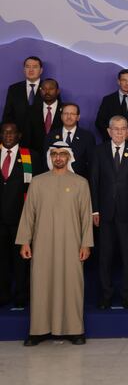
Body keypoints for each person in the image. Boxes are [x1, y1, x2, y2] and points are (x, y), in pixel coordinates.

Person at [16, 142, 92, 346]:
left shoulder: (80, 183)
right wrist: (25, 242)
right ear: (50, 157)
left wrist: (86, 244)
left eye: (63, 154)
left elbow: (86, 217)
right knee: (41, 285)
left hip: (72, 244)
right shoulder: (38, 182)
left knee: (72, 285)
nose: (58, 157)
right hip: (43, 244)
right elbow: (28, 214)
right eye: (55, 154)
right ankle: (38, 331)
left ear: (69, 157)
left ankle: (74, 330)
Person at [90, 116, 128, 309]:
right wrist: (94, 209)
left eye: (123, 129)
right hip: (104, 213)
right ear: (109, 131)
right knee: (104, 256)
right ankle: (106, 295)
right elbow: (94, 181)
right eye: (116, 129)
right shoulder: (99, 151)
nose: (120, 132)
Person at [0, 123, 42, 308]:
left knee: (21, 260)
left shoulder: (30, 156)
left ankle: (21, 295)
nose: (8, 135)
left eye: (12, 132)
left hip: (22, 218)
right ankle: (3, 294)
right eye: (4, 132)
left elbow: (37, 188)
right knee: (1, 259)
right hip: (0, 220)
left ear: (19, 135)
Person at [94, 69, 128, 143]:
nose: (127, 83)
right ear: (119, 82)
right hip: (110, 143)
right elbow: (99, 122)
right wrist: (113, 135)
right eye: (124, 80)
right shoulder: (108, 100)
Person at [44, 102, 96, 178]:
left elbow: (91, 163)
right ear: (61, 116)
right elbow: (46, 161)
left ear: (78, 117)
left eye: (72, 114)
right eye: (66, 114)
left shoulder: (87, 137)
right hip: (54, 179)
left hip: (78, 180)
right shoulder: (51, 136)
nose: (69, 117)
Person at [2, 56, 43, 128]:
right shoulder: (14, 89)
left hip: (43, 133)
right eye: (27, 67)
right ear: (24, 70)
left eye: (35, 67)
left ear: (41, 70)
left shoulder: (49, 88)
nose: (31, 70)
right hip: (19, 132)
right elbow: (7, 115)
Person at [23, 78, 63, 151]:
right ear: (40, 91)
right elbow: (26, 138)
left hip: (60, 154)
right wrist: (26, 158)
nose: (47, 92)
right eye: (44, 89)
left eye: (51, 89)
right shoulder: (31, 110)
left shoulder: (66, 110)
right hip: (36, 155)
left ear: (58, 91)